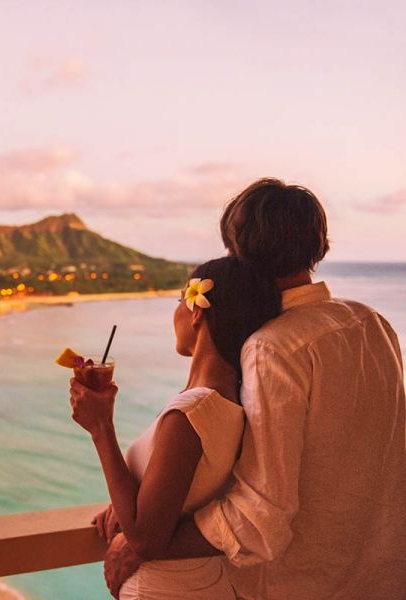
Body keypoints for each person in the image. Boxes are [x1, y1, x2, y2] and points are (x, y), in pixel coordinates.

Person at [100, 178, 406, 599]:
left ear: (238, 253)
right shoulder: (372, 324)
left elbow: (262, 514)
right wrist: (148, 499)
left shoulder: (271, 348)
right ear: (318, 246)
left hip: (302, 585)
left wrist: (147, 542)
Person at [70, 256, 282, 599]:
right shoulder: (231, 400)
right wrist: (125, 501)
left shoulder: (190, 413)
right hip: (201, 582)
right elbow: (180, 495)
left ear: (197, 312)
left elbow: (145, 539)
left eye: (178, 301)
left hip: (168, 589)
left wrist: (101, 428)